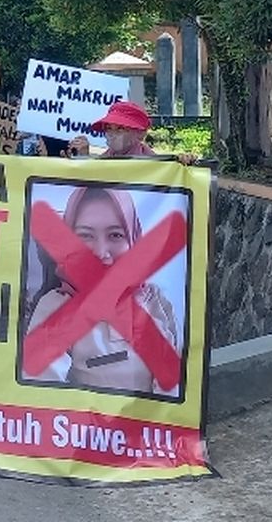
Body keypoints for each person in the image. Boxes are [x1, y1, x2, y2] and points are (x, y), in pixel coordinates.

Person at [23, 186, 178, 395]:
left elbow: (179, 387)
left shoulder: (155, 299)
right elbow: (41, 397)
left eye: (115, 235)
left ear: (133, 239)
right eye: (85, 236)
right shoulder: (55, 308)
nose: (101, 253)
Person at [68, 100, 155, 158]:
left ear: (140, 133)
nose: (112, 134)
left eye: (120, 128)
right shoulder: (105, 158)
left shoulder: (155, 166)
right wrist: (82, 157)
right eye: (108, 128)